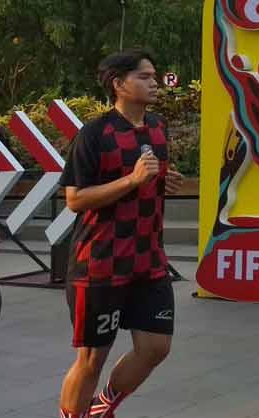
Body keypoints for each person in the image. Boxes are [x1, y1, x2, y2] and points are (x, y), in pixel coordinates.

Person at [58, 50, 184, 418]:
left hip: (148, 260)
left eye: (154, 75)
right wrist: (132, 180)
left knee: (156, 347)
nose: (153, 82)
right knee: (92, 359)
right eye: (144, 77)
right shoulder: (95, 134)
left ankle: (102, 407)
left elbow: (149, 180)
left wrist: (164, 180)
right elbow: (75, 199)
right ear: (119, 84)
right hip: (100, 264)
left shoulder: (158, 128)